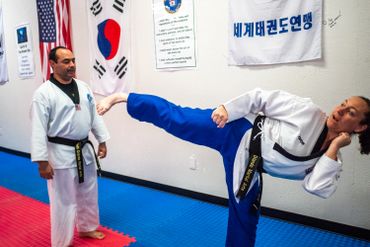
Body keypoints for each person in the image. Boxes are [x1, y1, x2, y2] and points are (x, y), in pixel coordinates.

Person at [96, 88, 369, 247]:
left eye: (351, 113)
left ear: (359, 128)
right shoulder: (309, 112)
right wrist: (228, 108)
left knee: (245, 216)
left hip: (249, 165)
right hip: (235, 129)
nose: (341, 110)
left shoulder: (331, 160)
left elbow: (316, 188)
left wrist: (333, 148)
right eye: (343, 104)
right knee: (178, 119)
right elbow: (263, 97)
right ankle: (123, 97)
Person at [31, 46, 110, 247]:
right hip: (60, 154)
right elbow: (38, 129)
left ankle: (87, 227)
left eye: (73, 60)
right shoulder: (43, 93)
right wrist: (42, 162)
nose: (72, 65)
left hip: (85, 150)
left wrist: (102, 140)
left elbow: (94, 116)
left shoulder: (83, 87)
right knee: (63, 200)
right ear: (52, 64)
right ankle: (61, 241)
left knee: (88, 192)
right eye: (66, 62)